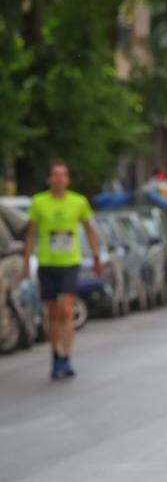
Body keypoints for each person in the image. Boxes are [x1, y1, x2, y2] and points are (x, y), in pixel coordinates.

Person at [22, 160, 101, 379]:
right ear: (49, 179)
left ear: (68, 179)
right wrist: (25, 262)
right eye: (55, 174)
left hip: (69, 262)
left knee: (67, 309)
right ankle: (55, 354)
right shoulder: (39, 202)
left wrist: (96, 258)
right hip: (47, 262)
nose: (59, 178)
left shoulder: (78, 202)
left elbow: (89, 230)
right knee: (53, 313)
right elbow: (30, 234)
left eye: (63, 174)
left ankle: (67, 357)